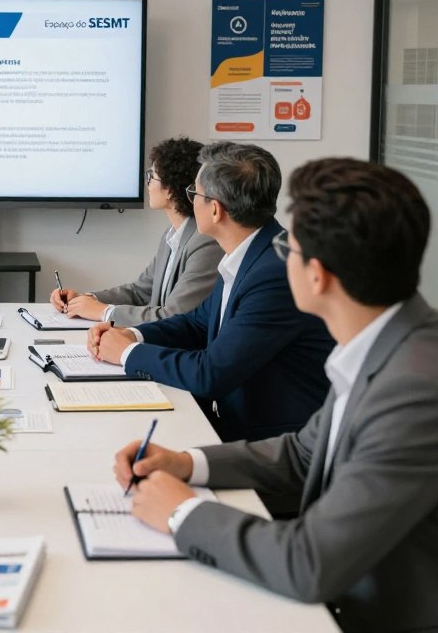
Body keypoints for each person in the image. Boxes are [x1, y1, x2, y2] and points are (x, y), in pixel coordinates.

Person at [114, 158, 438, 633]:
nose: (279, 252)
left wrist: (182, 512)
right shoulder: (386, 344)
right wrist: (187, 463)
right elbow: (303, 452)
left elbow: (310, 563)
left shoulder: (413, 389)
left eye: (289, 244)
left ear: (318, 275)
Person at [88, 142, 333, 441]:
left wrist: (127, 353)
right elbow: (197, 323)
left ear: (215, 209)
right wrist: (134, 335)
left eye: (195, 194)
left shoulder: (275, 274)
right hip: (236, 426)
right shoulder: (251, 253)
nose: (191, 202)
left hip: (273, 448)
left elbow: (211, 373)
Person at [51, 136, 222, 325]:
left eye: (151, 176)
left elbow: (172, 317)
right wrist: (86, 299)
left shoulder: (205, 241)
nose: (147, 184)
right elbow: (140, 292)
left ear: (170, 190)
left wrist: (105, 312)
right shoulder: (172, 234)